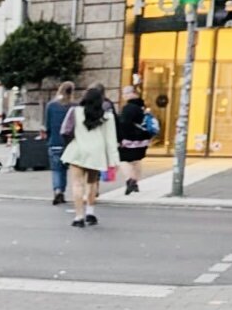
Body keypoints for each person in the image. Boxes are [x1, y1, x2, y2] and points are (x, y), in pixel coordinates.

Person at [61, 82, 119, 228]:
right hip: (96, 153)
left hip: (78, 150)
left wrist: (70, 142)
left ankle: (79, 216)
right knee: (92, 183)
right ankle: (90, 213)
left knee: (77, 184)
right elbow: (111, 141)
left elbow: (65, 131)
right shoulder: (107, 117)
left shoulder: (75, 112)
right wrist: (114, 161)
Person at [116, 85, 154, 195]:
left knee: (123, 159)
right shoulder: (142, 106)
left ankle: (130, 180)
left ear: (131, 93)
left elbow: (124, 124)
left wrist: (120, 138)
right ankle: (135, 182)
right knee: (137, 160)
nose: (123, 96)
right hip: (143, 139)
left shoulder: (129, 108)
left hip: (130, 139)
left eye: (125, 93)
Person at [43, 81, 76, 205]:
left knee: (57, 169)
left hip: (54, 142)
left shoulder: (51, 106)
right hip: (70, 144)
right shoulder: (75, 106)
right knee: (69, 170)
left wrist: (48, 139)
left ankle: (58, 190)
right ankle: (71, 191)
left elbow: (47, 126)